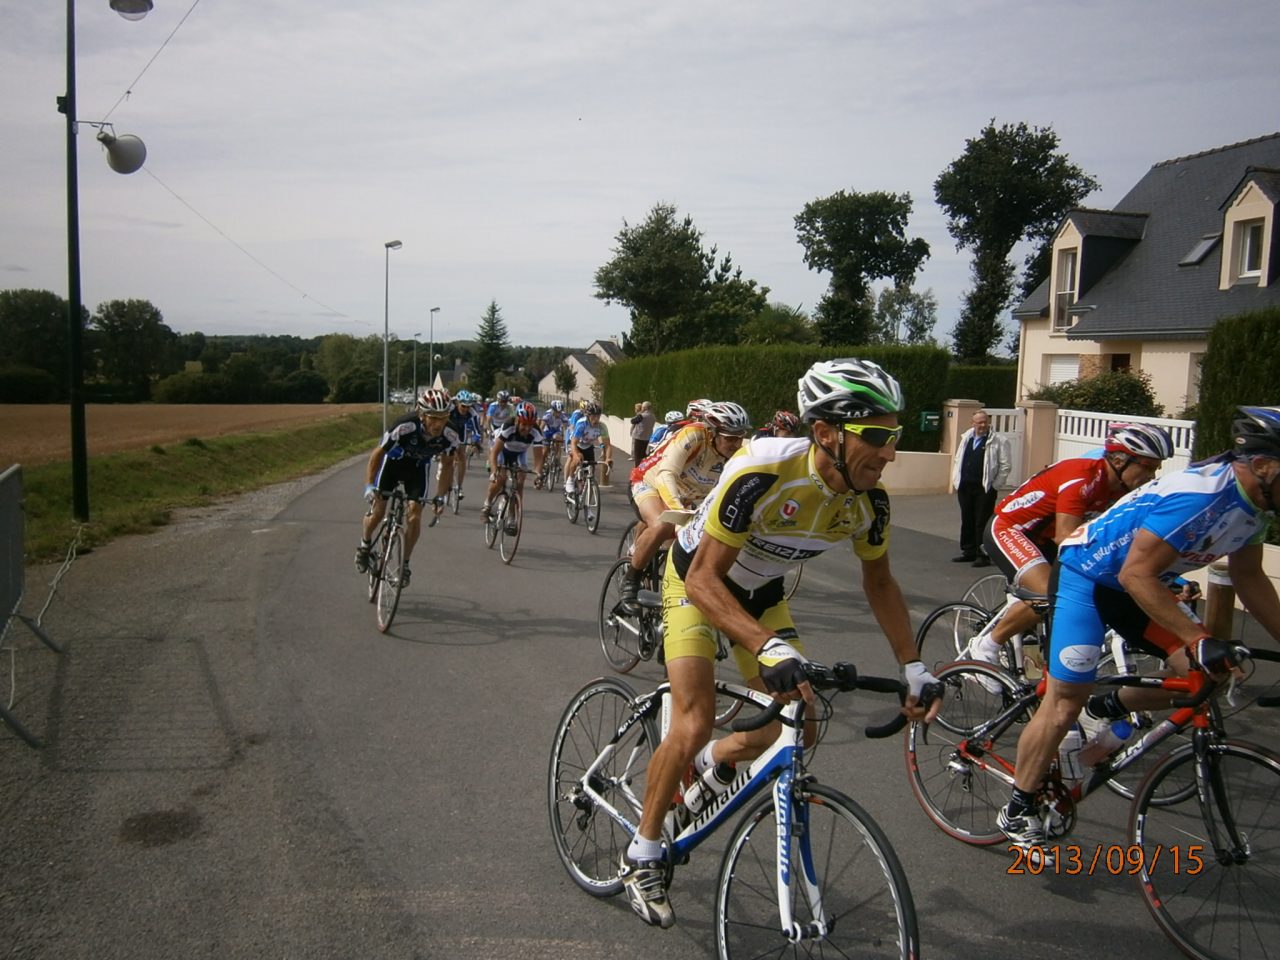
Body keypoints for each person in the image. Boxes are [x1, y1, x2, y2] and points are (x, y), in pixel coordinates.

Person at [618, 359, 941, 928]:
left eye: (895, 436)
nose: (890, 452)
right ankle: (643, 852)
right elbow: (702, 580)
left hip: (760, 591)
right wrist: (768, 647)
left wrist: (912, 664)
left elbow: (880, 582)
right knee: (695, 719)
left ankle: (711, 767)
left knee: (800, 721)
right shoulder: (762, 471)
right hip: (697, 581)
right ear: (826, 433)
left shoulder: (870, 502)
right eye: (877, 437)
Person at [996, 406, 1280, 863]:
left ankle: (1111, 705)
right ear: (1264, 466)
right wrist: (1198, 635)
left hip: (1135, 583)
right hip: (1089, 577)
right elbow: (1136, 575)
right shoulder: (1203, 495)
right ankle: (1018, 806)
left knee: (1207, 676)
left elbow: (1251, 579)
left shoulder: (1254, 504)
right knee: (1065, 700)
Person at [970, 423, 1174, 663]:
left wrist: (1168, 577)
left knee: (1072, 596)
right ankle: (987, 645)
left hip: (1045, 540)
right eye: (1147, 467)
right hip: (1011, 530)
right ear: (1119, 461)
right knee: (1047, 595)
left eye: (1157, 468)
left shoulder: (1122, 490)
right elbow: (1066, 536)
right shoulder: (1081, 477)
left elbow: (1136, 541)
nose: (1152, 476)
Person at [620, 401, 752, 608]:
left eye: (740, 437)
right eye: (731, 438)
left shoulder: (735, 455)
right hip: (649, 481)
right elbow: (666, 474)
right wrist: (679, 511)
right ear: (713, 432)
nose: (737, 444)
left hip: (689, 494)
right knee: (663, 525)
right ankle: (632, 577)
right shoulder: (693, 435)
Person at [353, 387, 458, 587]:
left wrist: (441, 495)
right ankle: (365, 546)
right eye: (433, 418)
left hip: (417, 471)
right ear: (422, 415)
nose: (438, 424)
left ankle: (405, 564)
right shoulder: (404, 426)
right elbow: (377, 454)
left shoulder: (450, 434)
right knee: (378, 511)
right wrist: (369, 485)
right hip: (392, 466)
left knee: (414, 515)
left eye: (443, 418)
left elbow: (447, 465)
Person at [950, 410, 1010, 567]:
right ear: (973, 423)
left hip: (984, 488)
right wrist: (956, 480)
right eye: (979, 422)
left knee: (981, 522)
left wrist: (995, 485)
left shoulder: (999, 441)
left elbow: (1005, 466)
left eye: (985, 422)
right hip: (965, 486)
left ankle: (982, 555)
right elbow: (958, 459)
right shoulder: (966, 439)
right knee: (967, 519)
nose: (983, 425)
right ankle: (968, 551)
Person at [482, 400, 545, 522]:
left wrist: (538, 475)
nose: (527, 428)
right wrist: (494, 472)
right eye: (524, 424)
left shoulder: (536, 431)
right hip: (502, 451)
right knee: (500, 478)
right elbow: (495, 452)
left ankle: (512, 513)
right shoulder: (508, 426)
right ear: (516, 420)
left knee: (520, 481)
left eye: (530, 425)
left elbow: (538, 458)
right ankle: (487, 504)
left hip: (519, 453)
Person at [564, 401, 611, 498]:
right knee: (577, 458)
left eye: (598, 416)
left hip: (588, 446)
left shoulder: (602, 427)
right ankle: (570, 479)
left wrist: (608, 458)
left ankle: (586, 502)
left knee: (591, 471)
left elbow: (608, 445)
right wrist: (576, 455)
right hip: (577, 444)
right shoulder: (582, 424)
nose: (596, 419)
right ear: (588, 416)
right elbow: (573, 443)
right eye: (593, 416)